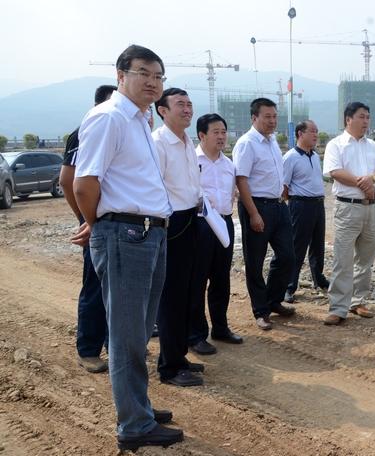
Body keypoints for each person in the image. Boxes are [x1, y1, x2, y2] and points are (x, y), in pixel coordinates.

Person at [73, 44, 182, 451]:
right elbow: (84, 183)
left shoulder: (139, 119)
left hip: (149, 233)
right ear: (121, 76)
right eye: (143, 73)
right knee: (126, 334)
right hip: (126, 235)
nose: (152, 82)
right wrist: (97, 222)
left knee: (139, 331)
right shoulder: (109, 117)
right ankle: (134, 425)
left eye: (158, 76)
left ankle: (140, 407)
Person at [59, 84, 116, 373]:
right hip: (98, 224)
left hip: (122, 225)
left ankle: (113, 343)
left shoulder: (123, 129)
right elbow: (67, 180)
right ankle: (89, 349)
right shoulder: (85, 132)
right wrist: (86, 220)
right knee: (95, 287)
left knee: (119, 290)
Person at [152, 88, 206, 383]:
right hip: (171, 224)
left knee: (188, 291)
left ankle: (179, 354)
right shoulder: (158, 143)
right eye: (180, 104)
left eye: (189, 104)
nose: (187, 109)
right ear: (162, 110)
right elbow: (154, 187)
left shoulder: (187, 141)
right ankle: (169, 367)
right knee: (171, 296)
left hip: (191, 219)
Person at [322, 102, 375, 326]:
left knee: (366, 257)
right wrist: (365, 184)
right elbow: (335, 172)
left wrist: (371, 179)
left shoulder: (373, 146)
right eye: (361, 117)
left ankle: (358, 301)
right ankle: (338, 307)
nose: (366, 121)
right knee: (343, 258)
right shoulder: (336, 145)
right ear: (348, 119)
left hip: (372, 208)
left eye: (368, 117)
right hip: (347, 208)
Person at [233, 98, 296, 331]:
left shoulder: (272, 141)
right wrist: (253, 213)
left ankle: (273, 300)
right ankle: (260, 311)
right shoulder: (247, 143)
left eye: (274, 116)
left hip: (279, 206)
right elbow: (241, 180)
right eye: (267, 117)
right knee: (255, 261)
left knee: (288, 256)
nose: (272, 121)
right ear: (254, 118)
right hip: (257, 206)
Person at [188, 113, 243, 351]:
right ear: (202, 135)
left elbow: (231, 195)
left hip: (224, 222)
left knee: (221, 279)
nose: (221, 137)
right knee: (197, 280)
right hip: (200, 224)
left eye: (224, 132)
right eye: (216, 132)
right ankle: (196, 335)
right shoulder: (191, 160)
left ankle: (220, 328)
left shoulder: (229, 164)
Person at [282, 120, 330, 304]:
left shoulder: (315, 156)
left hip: (318, 204)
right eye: (312, 131)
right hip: (300, 205)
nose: (315, 135)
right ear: (300, 134)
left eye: (317, 131)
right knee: (297, 246)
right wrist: (294, 202)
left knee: (318, 245)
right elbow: (284, 186)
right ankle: (289, 285)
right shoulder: (290, 157)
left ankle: (319, 279)